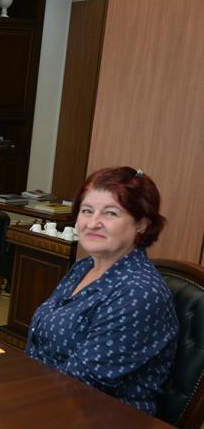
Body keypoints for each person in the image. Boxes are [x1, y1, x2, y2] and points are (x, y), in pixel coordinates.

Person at [26, 167, 178, 415]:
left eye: (110, 213)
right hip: (51, 403)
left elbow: (81, 381)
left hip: (103, 426)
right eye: (87, 211)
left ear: (142, 223)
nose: (93, 223)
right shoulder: (84, 267)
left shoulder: (138, 292)